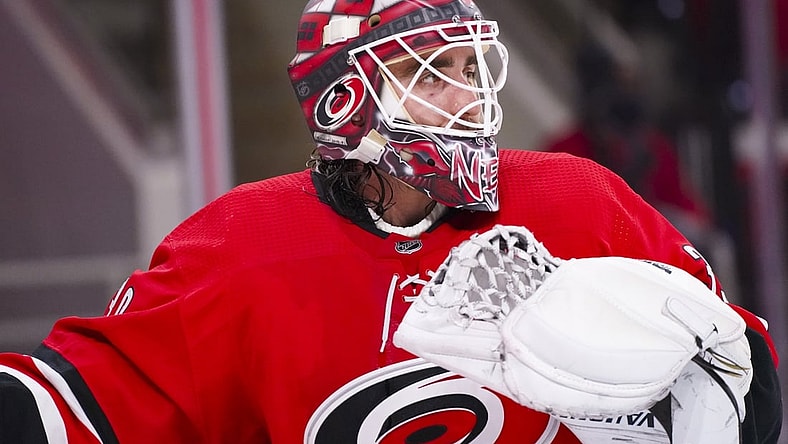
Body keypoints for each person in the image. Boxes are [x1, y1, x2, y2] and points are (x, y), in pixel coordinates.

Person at [0, 0, 780, 442]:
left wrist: (735, 378)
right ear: (343, 102)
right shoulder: (237, 248)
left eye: (471, 69)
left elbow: (737, 375)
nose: (466, 96)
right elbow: (70, 410)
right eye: (428, 73)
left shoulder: (577, 200)